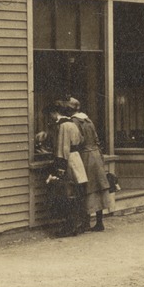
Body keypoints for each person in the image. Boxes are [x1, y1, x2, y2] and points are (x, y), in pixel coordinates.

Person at [67, 97, 115, 232]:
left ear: (70, 109)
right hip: (96, 156)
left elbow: (78, 141)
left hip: (85, 156)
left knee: (85, 188)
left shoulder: (74, 122)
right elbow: (96, 139)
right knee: (98, 187)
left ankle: (85, 222)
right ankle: (99, 222)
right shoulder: (88, 120)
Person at [48, 100, 90, 236]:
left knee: (68, 193)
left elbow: (63, 147)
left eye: (51, 114)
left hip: (69, 161)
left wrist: (60, 167)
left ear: (55, 113)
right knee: (77, 193)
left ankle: (70, 226)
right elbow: (81, 140)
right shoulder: (72, 123)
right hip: (77, 158)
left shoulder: (64, 126)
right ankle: (79, 224)